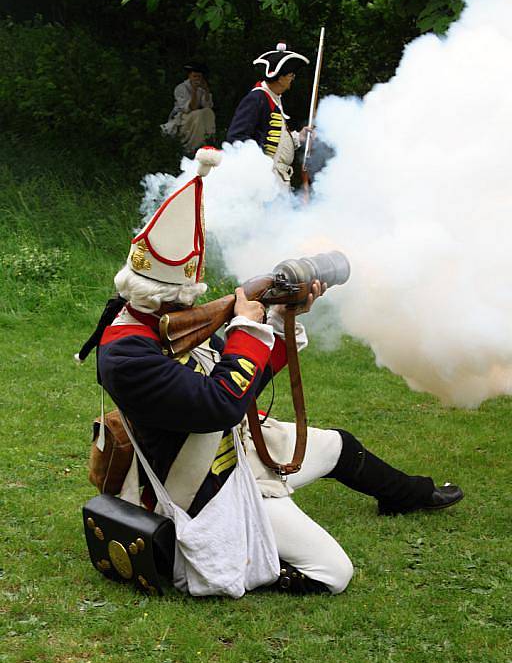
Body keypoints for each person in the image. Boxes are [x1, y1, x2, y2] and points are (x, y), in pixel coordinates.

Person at [90, 148, 463, 597]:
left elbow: (240, 381)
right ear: (170, 297)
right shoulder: (126, 355)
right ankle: (258, 565)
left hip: (231, 452)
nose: (193, 304)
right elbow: (221, 404)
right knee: (334, 572)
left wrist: (278, 320)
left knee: (338, 446)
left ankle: (408, 495)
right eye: (186, 297)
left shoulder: (160, 325)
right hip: (200, 489)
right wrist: (246, 325)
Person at [226, 42, 311, 186]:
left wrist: (299, 137)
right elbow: (236, 138)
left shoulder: (274, 98)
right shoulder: (257, 98)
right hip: (263, 178)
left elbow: (277, 139)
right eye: (290, 75)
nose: (292, 79)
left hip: (277, 177)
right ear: (279, 77)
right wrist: (258, 167)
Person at [161, 62, 216, 155]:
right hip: (183, 116)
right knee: (198, 114)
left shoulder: (201, 89)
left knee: (208, 112)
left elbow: (207, 105)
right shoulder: (181, 88)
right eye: (195, 76)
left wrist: (206, 91)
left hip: (197, 114)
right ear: (189, 76)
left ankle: (208, 140)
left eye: (199, 77)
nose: (197, 79)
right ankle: (194, 146)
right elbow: (190, 107)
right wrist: (194, 91)